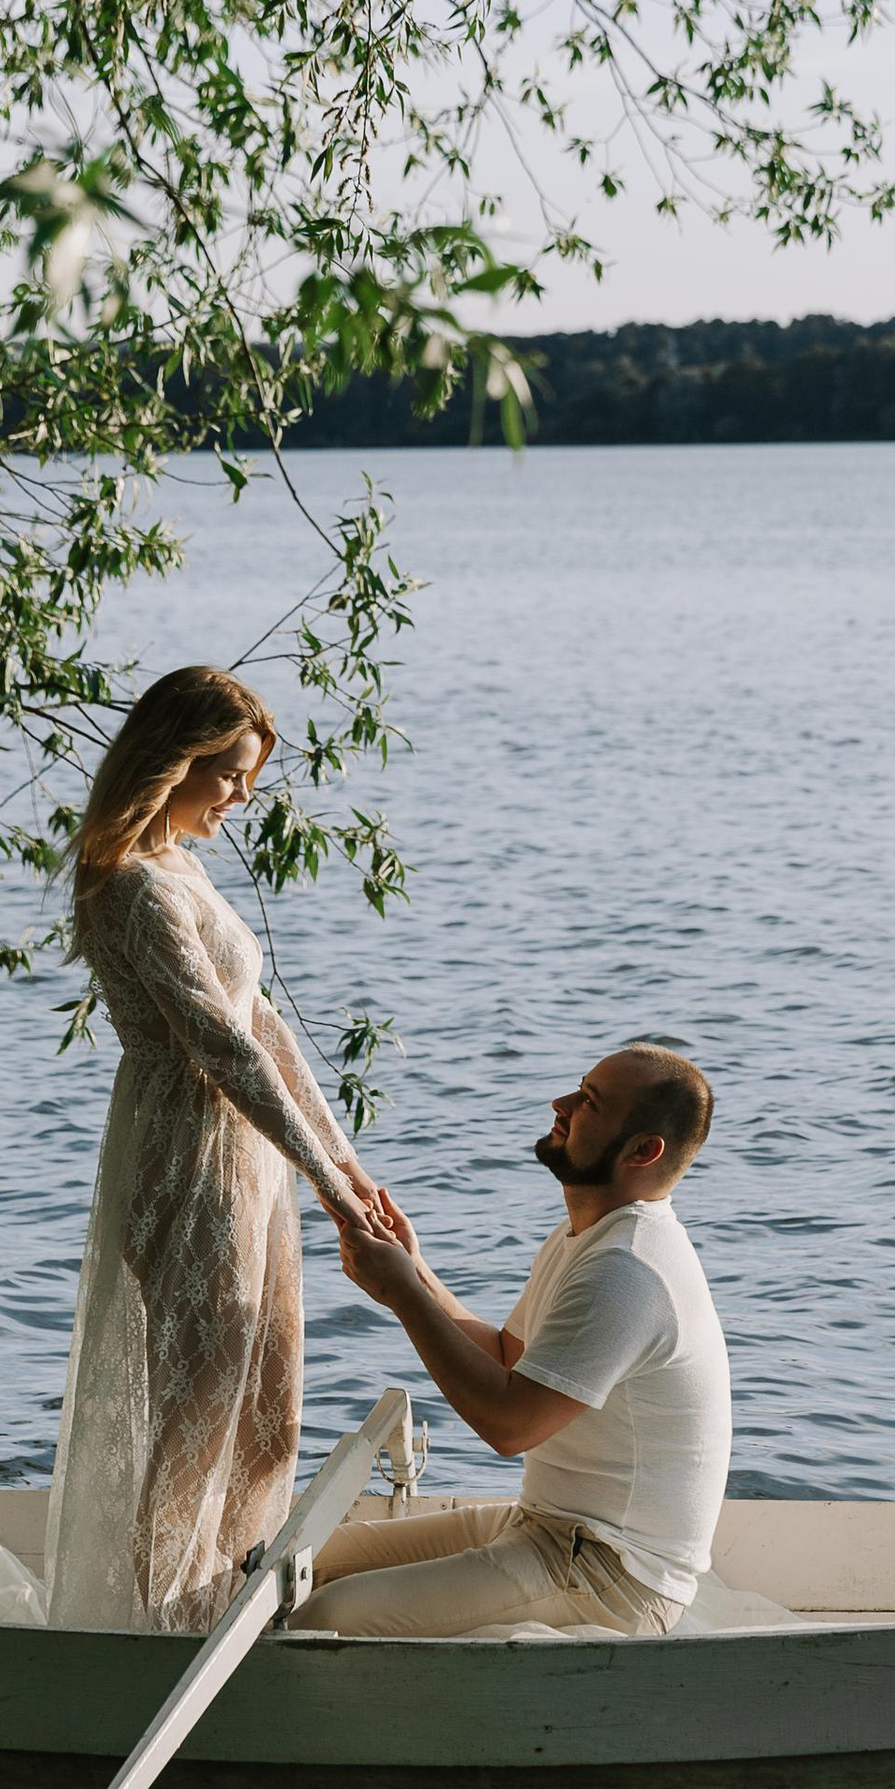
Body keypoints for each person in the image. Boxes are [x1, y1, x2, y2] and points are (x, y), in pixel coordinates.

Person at [46, 665, 377, 1633]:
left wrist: (342, 1164)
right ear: (171, 762)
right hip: (185, 1153)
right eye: (227, 774)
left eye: (247, 779)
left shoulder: (183, 866)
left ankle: (227, 1597)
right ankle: (159, 1623)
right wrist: (326, 1179)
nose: (240, 797)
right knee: (197, 1417)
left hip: (249, 1155)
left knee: (269, 1411)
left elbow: (260, 1023)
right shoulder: (136, 887)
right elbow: (219, 1046)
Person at [295, 1042, 729, 1639]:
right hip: (547, 1527)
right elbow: (507, 1356)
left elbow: (510, 1425)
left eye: (588, 1103)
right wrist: (414, 1269)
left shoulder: (628, 1270)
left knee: (326, 1619)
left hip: (616, 1575)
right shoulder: (589, 1234)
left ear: (641, 1150)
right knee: (297, 1563)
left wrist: (404, 1294)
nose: (561, 1104)